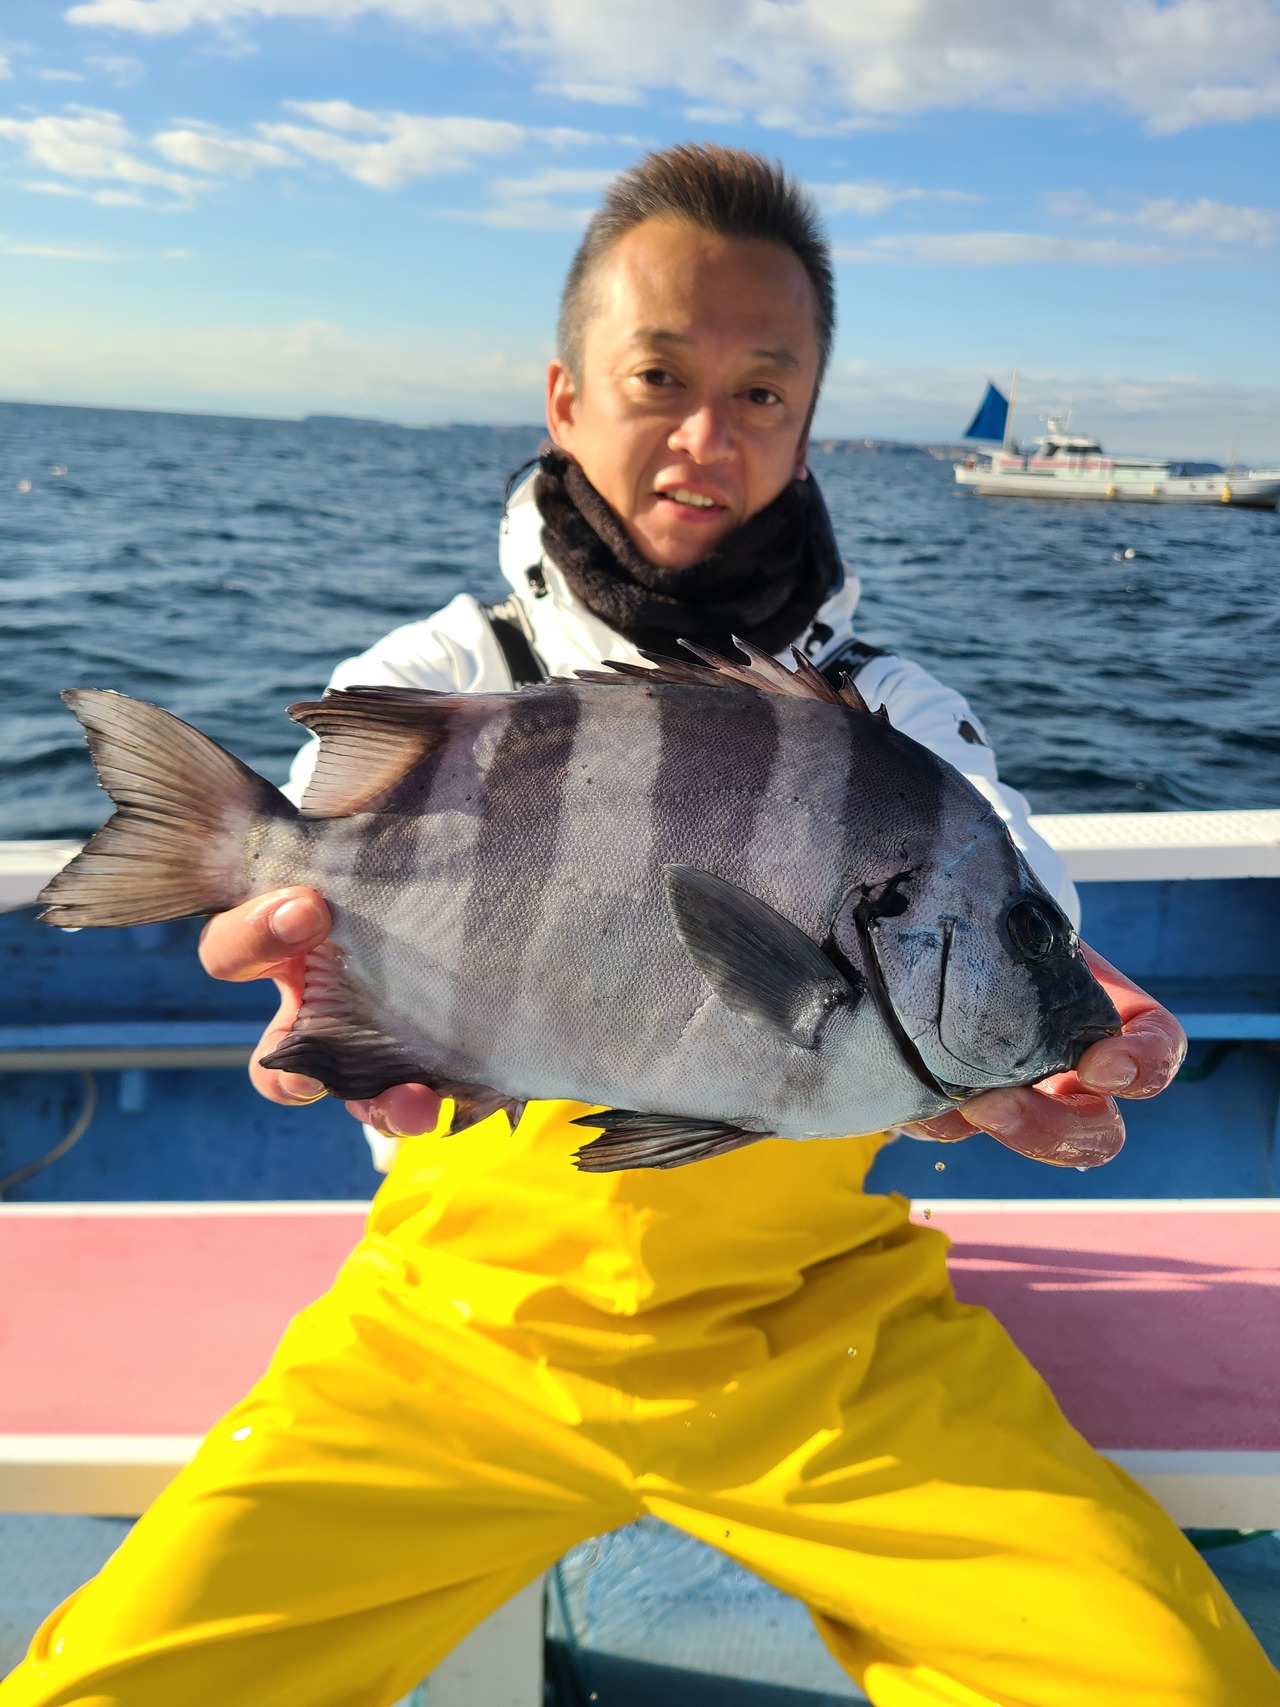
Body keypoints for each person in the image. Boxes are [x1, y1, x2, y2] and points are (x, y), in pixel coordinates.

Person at [4, 145, 1275, 1707]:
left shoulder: (894, 721)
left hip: (819, 1333)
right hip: (455, 1325)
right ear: (563, 396)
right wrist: (313, 968)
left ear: (808, 425)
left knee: (1172, 1687)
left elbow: (1008, 867)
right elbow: (316, 889)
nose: (704, 434)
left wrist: (1047, 979)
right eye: (658, 375)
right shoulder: (442, 675)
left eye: (762, 392)